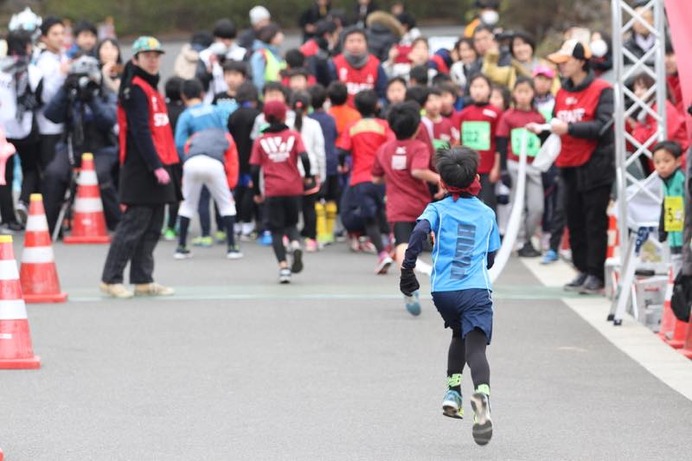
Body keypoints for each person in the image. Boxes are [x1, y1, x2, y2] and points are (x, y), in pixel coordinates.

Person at [399, 146, 498, 446]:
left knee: (458, 334)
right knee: (476, 345)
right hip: (475, 289)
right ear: (476, 178)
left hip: (443, 291)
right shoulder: (487, 213)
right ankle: (481, 393)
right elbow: (491, 257)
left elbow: (417, 234)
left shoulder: (437, 209)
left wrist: (408, 269)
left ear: (442, 183)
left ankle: (452, 391)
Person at [528, 39, 614, 295]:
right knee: (573, 220)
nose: (561, 67)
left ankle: (596, 273)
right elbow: (556, 126)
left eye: (565, 62)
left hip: (595, 166)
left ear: (580, 61)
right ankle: (582, 270)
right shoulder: (562, 92)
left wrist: (570, 128)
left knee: (594, 221)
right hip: (567, 165)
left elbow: (603, 126)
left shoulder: (602, 89)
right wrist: (541, 129)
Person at [100, 36, 181, 299]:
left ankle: (143, 278)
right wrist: (155, 165)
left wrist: (166, 166)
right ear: (135, 59)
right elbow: (140, 131)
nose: (153, 60)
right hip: (142, 166)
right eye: (147, 55)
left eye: (156, 55)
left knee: (154, 225)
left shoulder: (151, 87)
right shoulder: (135, 89)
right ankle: (111, 279)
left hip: (160, 163)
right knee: (133, 225)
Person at [372, 101, 440, 315]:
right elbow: (418, 170)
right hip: (420, 205)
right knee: (434, 239)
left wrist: (392, 176)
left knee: (402, 244)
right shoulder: (419, 147)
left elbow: (375, 178)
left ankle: (409, 285)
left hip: (397, 206)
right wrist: (440, 179)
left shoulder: (384, 150)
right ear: (418, 127)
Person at [42, 55, 121, 235]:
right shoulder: (70, 96)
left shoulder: (106, 94)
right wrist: (64, 90)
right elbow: (51, 115)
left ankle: (116, 223)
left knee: (100, 175)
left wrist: (92, 99)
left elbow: (110, 120)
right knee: (54, 173)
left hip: (102, 148)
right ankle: (49, 225)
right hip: (71, 147)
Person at [173, 79, 242, 260]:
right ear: (202, 94)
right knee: (225, 202)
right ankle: (232, 246)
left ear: (183, 96)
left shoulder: (186, 116)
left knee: (190, 203)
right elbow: (226, 137)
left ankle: (182, 246)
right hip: (215, 160)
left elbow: (179, 144)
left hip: (192, 161)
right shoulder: (216, 110)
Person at [250, 101, 313, 284]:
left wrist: (257, 191)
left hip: (273, 189)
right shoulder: (293, 135)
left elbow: (254, 169)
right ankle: (294, 244)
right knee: (292, 224)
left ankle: (284, 268)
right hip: (294, 188)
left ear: (265, 117)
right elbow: (304, 157)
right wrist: (307, 176)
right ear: (285, 116)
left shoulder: (260, 141)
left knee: (276, 230)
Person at [336, 89, 395, 273]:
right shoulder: (385, 126)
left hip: (361, 178)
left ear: (356, 107)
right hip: (384, 178)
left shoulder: (352, 127)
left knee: (370, 219)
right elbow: (393, 146)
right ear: (377, 105)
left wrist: (342, 165)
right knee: (385, 212)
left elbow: (342, 151)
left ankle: (382, 255)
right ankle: (392, 241)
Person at [496, 76, 546, 257]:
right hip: (514, 163)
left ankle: (528, 238)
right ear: (514, 94)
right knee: (517, 203)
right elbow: (501, 143)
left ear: (533, 93)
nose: (523, 96)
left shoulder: (538, 117)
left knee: (536, 206)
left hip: (534, 166)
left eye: (527, 91)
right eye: (520, 92)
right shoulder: (508, 116)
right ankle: (519, 241)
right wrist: (502, 169)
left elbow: (545, 142)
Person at [0, 30, 42, 232]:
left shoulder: (1, 68)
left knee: (4, 174)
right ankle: (23, 201)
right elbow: (39, 99)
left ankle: (7, 218)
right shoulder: (32, 70)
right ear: (27, 46)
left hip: (2, 129)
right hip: (25, 128)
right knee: (30, 168)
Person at [32, 17, 68, 222]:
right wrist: (61, 75)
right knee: (49, 173)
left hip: (62, 124)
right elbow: (45, 96)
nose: (60, 38)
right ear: (44, 37)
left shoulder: (61, 57)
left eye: (62, 33)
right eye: (55, 34)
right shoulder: (44, 61)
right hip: (47, 127)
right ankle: (47, 217)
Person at [455, 73, 502, 211]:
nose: (477, 90)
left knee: (488, 204)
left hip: (488, 168)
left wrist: (497, 168)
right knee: (468, 205)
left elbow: (500, 143)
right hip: (468, 169)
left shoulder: (496, 113)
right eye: (474, 86)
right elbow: (459, 141)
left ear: (489, 90)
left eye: (481, 86)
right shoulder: (463, 114)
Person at [291, 91, 326, 252]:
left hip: (290, 171)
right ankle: (311, 240)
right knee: (309, 208)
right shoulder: (314, 125)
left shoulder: (286, 123)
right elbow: (319, 151)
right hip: (309, 171)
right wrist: (321, 173)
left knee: (290, 208)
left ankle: (289, 238)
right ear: (308, 107)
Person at [228, 82, 262, 241]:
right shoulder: (257, 115)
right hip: (251, 160)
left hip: (236, 160)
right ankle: (248, 225)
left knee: (237, 193)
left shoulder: (233, 115)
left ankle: (236, 224)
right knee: (249, 192)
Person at [307, 84, 340, 245]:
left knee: (317, 199)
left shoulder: (309, 120)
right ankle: (330, 232)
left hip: (316, 165)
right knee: (331, 198)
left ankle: (320, 233)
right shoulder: (330, 119)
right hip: (332, 161)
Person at [328, 27, 388, 108]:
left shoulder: (376, 64)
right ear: (344, 44)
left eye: (359, 41)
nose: (355, 45)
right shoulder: (334, 63)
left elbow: (383, 94)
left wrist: (379, 104)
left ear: (366, 43)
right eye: (351, 41)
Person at [653, 141, 685, 274]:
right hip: (674, 237)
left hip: (686, 237)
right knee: (677, 265)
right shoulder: (665, 183)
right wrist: (663, 230)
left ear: (678, 161)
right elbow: (665, 206)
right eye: (657, 162)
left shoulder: (682, 180)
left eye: (666, 161)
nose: (661, 166)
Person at [198, 19, 246, 104]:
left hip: (237, 100)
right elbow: (200, 83)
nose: (227, 42)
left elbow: (248, 78)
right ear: (216, 38)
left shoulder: (241, 54)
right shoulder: (205, 55)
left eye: (230, 39)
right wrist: (209, 70)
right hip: (211, 102)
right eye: (223, 39)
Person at [250, 23, 285, 93]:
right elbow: (258, 80)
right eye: (279, 33)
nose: (282, 36)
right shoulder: (260, 55)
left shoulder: (276, 53)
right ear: (271, 37)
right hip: (268, 95)